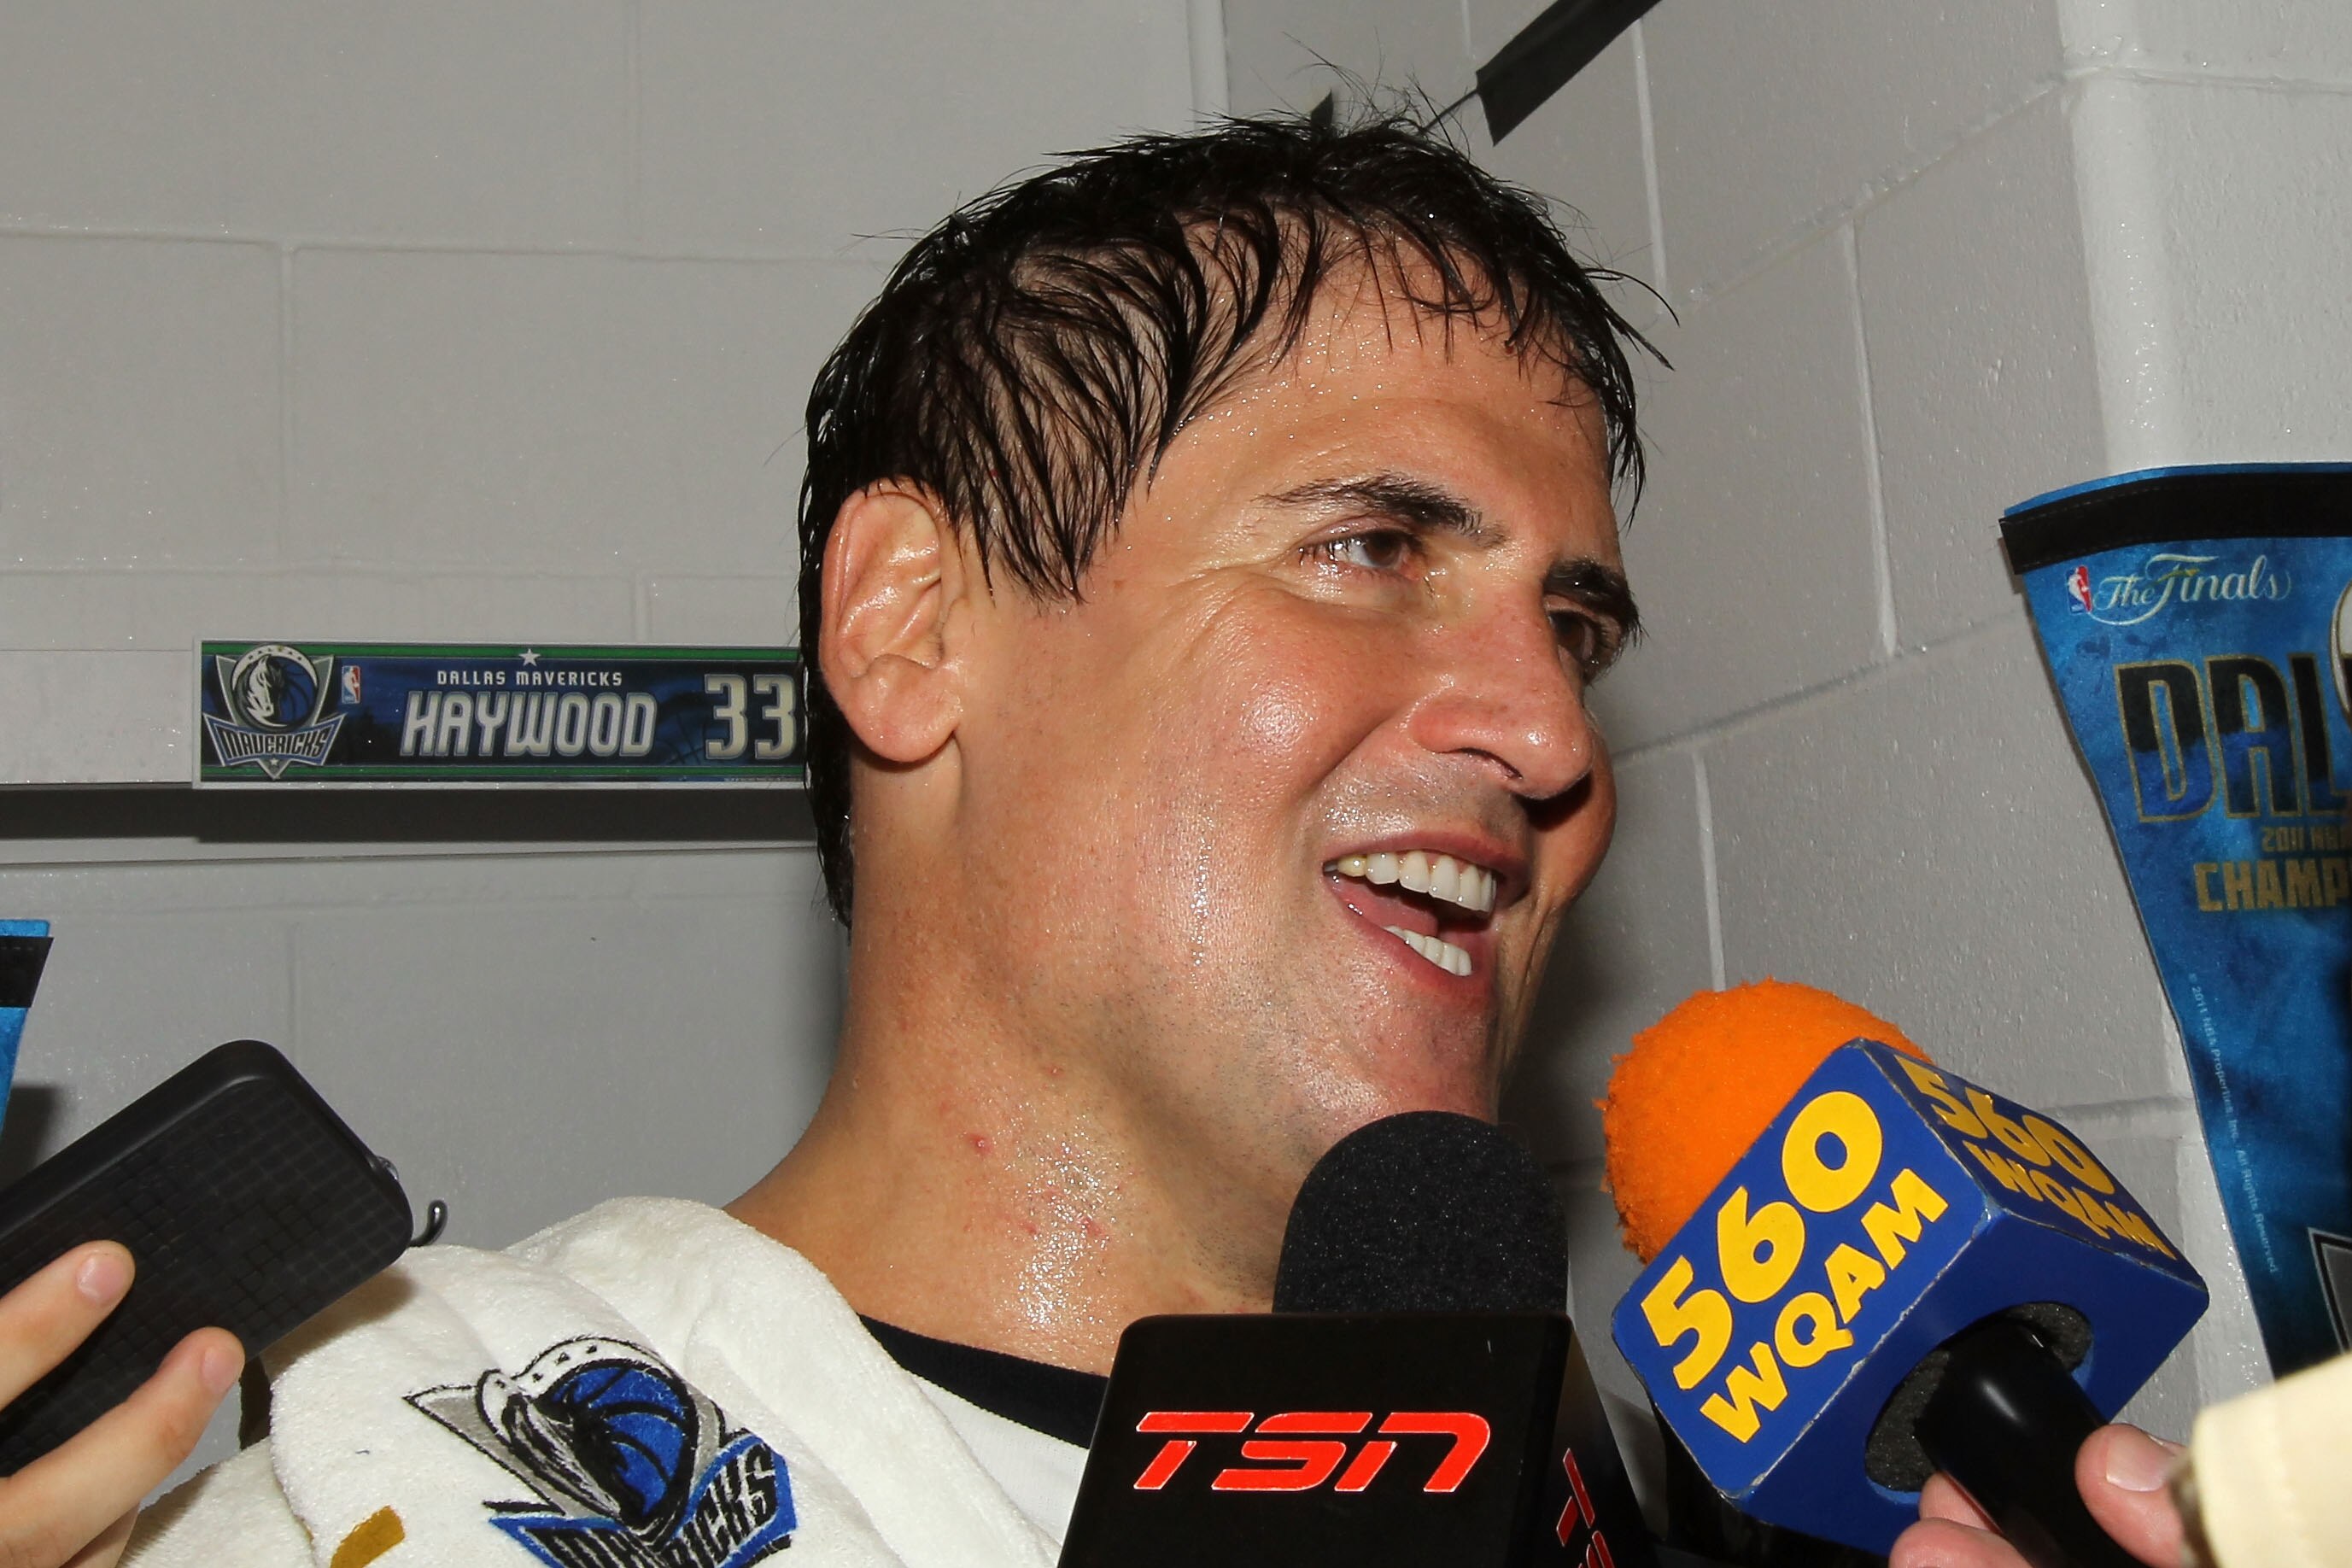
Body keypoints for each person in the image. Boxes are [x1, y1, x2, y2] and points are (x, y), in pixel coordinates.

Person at [0, 112, 2183, 1568]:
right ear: (912, 626)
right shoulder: (389, 1475)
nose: (1548, 737)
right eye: (1369, 548)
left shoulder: (1642, 1515)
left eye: (1575, 630)